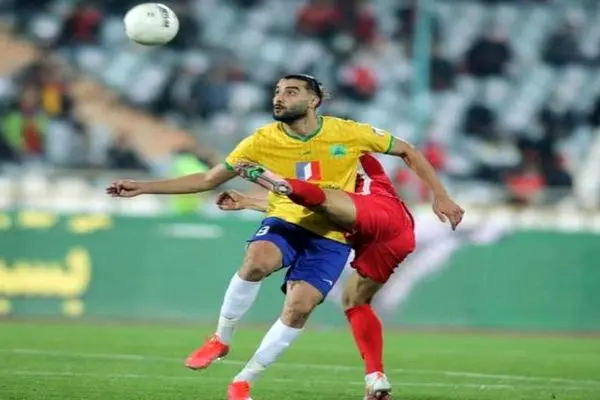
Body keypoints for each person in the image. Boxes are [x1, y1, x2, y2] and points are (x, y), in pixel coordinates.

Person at [106, 74, 463, 400]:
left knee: (299, 308)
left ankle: (244, 380)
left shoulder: (348, 132)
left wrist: (440, 195)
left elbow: (406, 150)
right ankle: (220, 338)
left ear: (313, 101)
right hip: (287, 220)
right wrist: (144, 187)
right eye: (277, 92)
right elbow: (207, 179)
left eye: (291, 92)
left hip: (332, 234)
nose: (279, 98)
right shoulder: (262, 140)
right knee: (257, 261)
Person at [220, 153, 463, 399]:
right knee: (355, 301)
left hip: (368, 216)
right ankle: (375, 376)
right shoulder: (356, 158)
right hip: (395, 230)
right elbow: (304, 206)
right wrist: (250, 201)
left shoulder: (337, 152)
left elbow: (313, 199)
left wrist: (263, 180)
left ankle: (269, 178)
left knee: (320, 205)